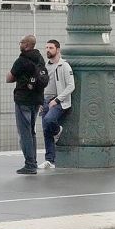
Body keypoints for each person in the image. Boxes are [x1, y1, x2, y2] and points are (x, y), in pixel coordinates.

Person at [7, 35, 47, 175]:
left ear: (27, 45)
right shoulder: (40, 58)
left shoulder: (21, 60)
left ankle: (30, 164)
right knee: (31, 131)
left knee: (24, 133)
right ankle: (33, 162)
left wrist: (19, 77)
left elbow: (9, 78)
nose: (20, 44)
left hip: (23, 99)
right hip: (36, 100)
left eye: (22, 42)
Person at [40, 39, 74, 170]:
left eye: (51, 48)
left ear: (58, 50)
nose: (48, 50)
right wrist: (40, 101)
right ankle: (50, 160)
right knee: (45, 131)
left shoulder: (64, 65)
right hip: (45, 100)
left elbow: (71, 86)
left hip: (58, 101)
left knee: (49, 120)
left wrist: (57, 100)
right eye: (46, 48)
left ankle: (58, 130)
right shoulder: (45, 66)